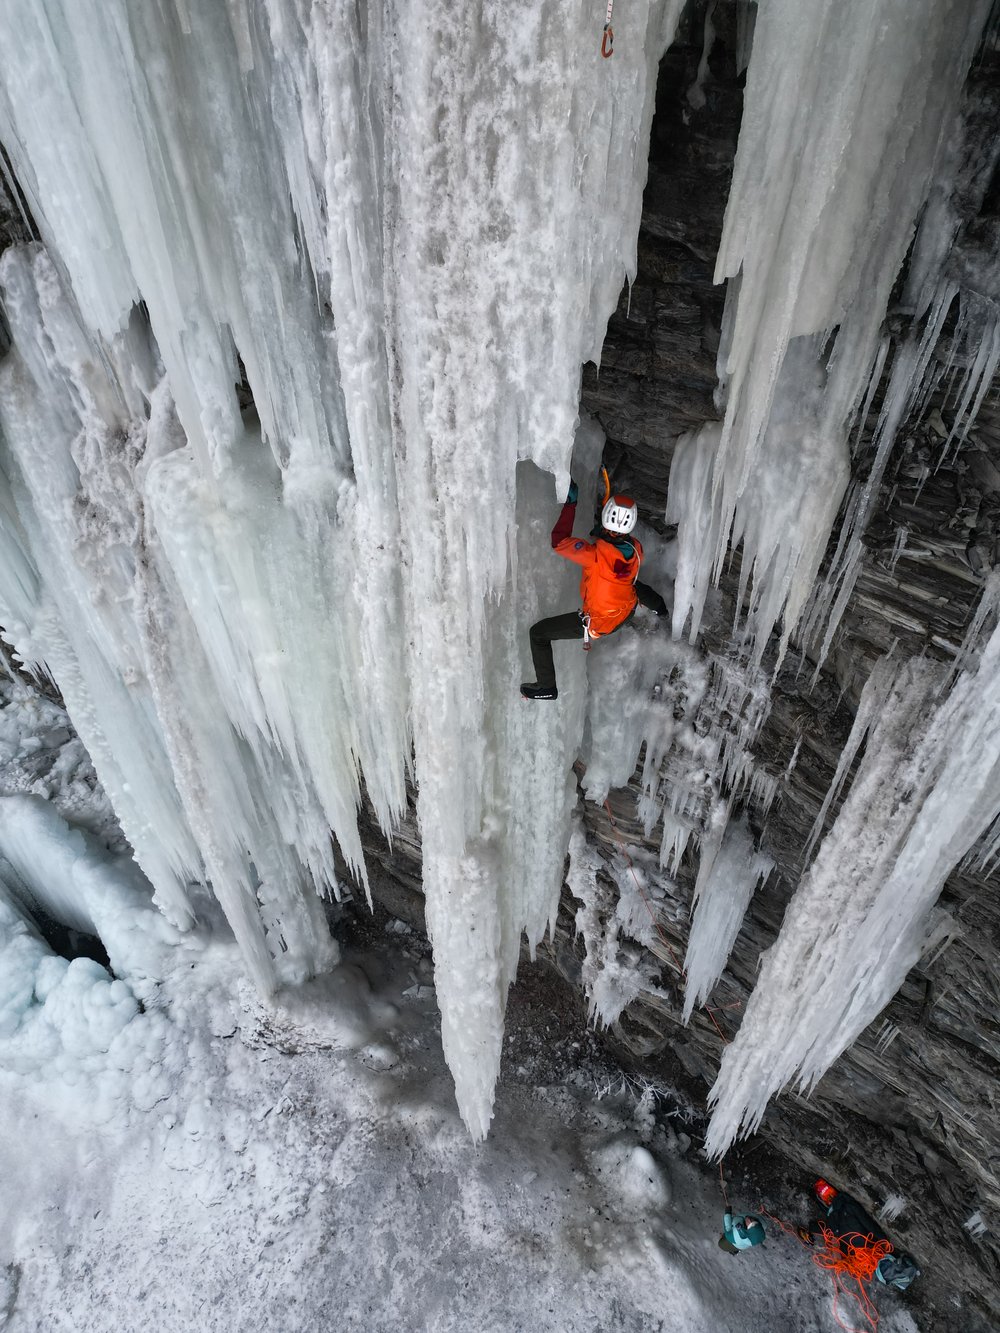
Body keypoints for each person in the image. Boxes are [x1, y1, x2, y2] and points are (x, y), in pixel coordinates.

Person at [520, 479, 668, 700]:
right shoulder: (636, 550)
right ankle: (659, 607)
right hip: (625, 612)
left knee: (538, 634)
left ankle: (546, 687)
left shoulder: (594, 555)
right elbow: (617, 549)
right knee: (628, 583)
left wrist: (571, 503)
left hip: (599, 623)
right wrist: (604, 534)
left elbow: (559, 542)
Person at [798, 1179, 921, 1292]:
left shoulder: (843, 1214)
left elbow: (871, 1229)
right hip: (855, 1239)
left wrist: (830, 1237)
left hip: (854, 1239)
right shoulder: (843, 1214)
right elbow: (872, 1229)